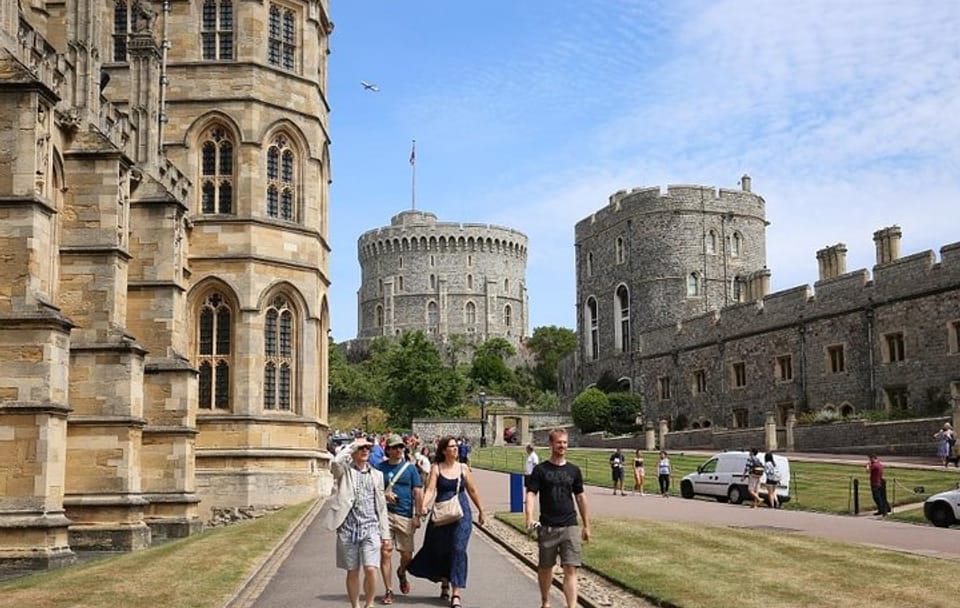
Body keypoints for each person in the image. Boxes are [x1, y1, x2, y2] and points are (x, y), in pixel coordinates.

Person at [407, 436, 486, 608]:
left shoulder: (463, 468)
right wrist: (423, 507)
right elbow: (429, 490)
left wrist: (481, 510)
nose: (456, 449)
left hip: (461, 513)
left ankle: (456, 593)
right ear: (444, 450)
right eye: (451, 447)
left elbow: (472, 490)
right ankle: (445, 582)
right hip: (442, 513)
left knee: (458, 549)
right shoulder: (436, 468)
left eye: (456, 446)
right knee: (443, 550)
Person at [317, 437, 392, 608]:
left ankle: (370, 603)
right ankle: (355, 605)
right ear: (354, 452)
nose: (365, 451)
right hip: (348, 528)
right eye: (361, 448)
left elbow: (381, 507)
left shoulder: (377, 475)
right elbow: (335, 462)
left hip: (371, 527)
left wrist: (385, 534)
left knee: (371, 568)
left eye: (367, 448)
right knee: (353, 571)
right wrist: (353, 446)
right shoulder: (345, 472)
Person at [525, 428, 591, 608]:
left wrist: (586, 525)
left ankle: (572, 606)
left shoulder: (574, 470)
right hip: (548, 526)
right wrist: (529, 517)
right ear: (551, 444)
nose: (562, 446)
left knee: (571, 568)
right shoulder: (540, 470)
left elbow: (580, 497)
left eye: (564, 442)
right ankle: (545, 601)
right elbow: (531, 494)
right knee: (546, 568)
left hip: (570, 525)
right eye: (559, 442)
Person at [377, 434, 423, 604]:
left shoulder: (410, 469)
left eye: (401, 447)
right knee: (385, 551)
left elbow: (418, 492)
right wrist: (384, 494)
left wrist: (417, 515)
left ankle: (402, 572)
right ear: (387, 450)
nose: (398, 450)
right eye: (395, 447)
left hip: (405, 515)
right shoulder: (379, 468)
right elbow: (372, 491)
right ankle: (389, 589)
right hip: (385, 515)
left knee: (407, 555)